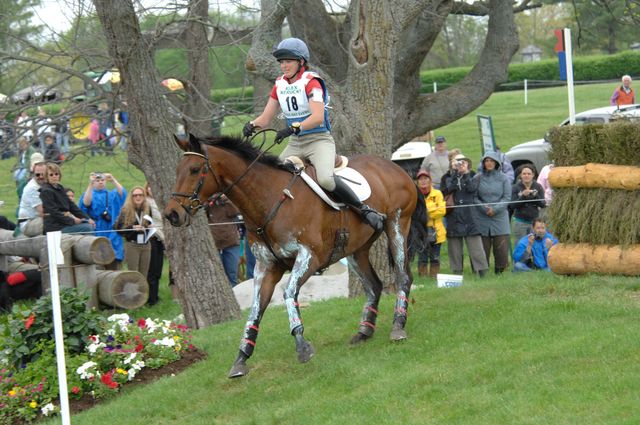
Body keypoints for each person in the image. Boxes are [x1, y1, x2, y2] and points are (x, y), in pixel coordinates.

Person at [242, 37, 384, 232]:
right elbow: (266, 118)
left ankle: (364, 210)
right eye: (281, 62)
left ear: (301, 62)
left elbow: (317, 117)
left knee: (325, 178)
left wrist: (292, 127)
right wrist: (252, 124)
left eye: (288, 61)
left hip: (319, 141)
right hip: (296, 142)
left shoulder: (312, 83)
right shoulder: (279, 84)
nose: (284, 66)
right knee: (274, 177)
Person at [443, 154, 488, 277]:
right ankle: (457, 275)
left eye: (463, 162)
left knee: (476, 248)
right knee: (455, 250)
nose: (460, 165)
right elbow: (447, 190)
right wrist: (455, 174)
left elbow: (472, 189)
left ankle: (482, 273)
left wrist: (466, 174)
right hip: (454, 216)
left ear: (468, 164)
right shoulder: (447, 177)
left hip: (470, 216)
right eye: (457, 162)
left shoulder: (473, 175)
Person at [476, 151, 512, 274]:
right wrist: (483, 208)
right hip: (482, 217)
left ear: (496, 163)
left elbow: (507, 198)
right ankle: (481, 274)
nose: (489, 163)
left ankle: (500, 272)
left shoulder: (504, 179)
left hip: (500, 217)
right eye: (486, 161)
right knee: (482, 249)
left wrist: (495, 209)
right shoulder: (478, 178)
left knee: (501, 248)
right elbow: (474, 197)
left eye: (492, 161)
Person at [80, 172, 127, 267]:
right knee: (98, 260)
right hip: (97, 229)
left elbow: (123, 194)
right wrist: (91, 183)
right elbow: (86, 203)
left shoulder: (112, 195)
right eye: (97, 181)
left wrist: (113, 179)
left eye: (102, 180)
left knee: (114, 262)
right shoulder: (89, 194)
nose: (100, 182)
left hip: (112, 230)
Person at [40, 163, 94, 234]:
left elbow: (71, 206)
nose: (54, 176)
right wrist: (72, 221)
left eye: (56, 174)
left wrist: (87, 218)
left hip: (64, 223)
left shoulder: (60, 188)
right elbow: (54, 212)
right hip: (55, 227)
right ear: (47, 176)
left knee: (89, 225)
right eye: (51, 175)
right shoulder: (46, 191)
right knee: (87, 228)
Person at [114, 186, 153, 278]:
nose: (138, 197)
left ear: (144, 196)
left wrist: (150, 227)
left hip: (146, 245)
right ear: (131, 197)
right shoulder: (125, 210)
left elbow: (149, 223)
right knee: (133, 275)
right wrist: (132, 228)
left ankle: (142, 292)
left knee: (144, 275)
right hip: (132, 245)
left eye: (140, 195)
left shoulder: (147, 209)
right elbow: (117, 229)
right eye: (135, 195)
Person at [414, 170, 446, 278]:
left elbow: (442, 211)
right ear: (417, 182)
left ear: (430, 181)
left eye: (425, 178)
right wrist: (432, 210)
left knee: (435, 257)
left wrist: (426, 213)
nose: (423, 181)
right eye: (420, 179)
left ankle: (434, 277)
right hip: (420, 231)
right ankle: (422, 278)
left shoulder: (437, 193)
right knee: (422, 257)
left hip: (436, 231)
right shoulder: (415, 195)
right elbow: (415, 213)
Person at [206, 194, 242, 287]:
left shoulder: (227, 200)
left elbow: (236, 212)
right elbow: (201, 213)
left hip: (231, 242)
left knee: (232, 274)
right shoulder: (207, 201)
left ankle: (235, 296)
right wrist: (210, 201)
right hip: (214, 243)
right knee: (216, 274)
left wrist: (226, 200)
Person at [509, 165, 546, 242]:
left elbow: (543, 204)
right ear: (521, 175)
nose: (526, 175)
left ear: (533, 175)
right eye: (524, 174)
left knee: (535, 246)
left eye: (529, 174)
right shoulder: (515, 187)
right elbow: (512, 205)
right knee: (521, 246)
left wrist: (536, 196)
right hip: (520, 222)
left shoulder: (538, 186)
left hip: (534, 223)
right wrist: (523, 196)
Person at [145, 183, 166, 305]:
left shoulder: (160, 201)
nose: (152, 189)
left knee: (158, 270)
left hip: (161, 238)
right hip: (153, 237)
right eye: (149, 187)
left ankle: (155, 296)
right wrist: (163, 238)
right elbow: (150, 223)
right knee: (152, 270)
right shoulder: (147, 203)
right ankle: (151, 299)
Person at [17, 161, 47, 236]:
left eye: (43, 174)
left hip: (38, 220)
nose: (40, 176)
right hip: (28, 223)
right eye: (37, 174)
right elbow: (42, 212)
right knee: (53, 222)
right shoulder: (32, 188)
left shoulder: (46, 185)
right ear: (33, 174)